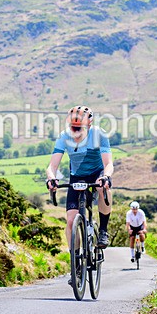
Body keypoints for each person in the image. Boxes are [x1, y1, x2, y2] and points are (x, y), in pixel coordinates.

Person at [46, 105, 114, 253]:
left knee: (103, 188)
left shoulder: (99, 134)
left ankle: (103, 230)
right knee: (70, 221)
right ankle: (75, 264)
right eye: (72, 127)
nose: (75, 130)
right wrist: (51, 178)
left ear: (89, 124)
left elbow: (108, 163)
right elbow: (52, 166)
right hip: (76, 176)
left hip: (97, 172)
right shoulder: (64, 137)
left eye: (79, 127)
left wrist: (106, 177)